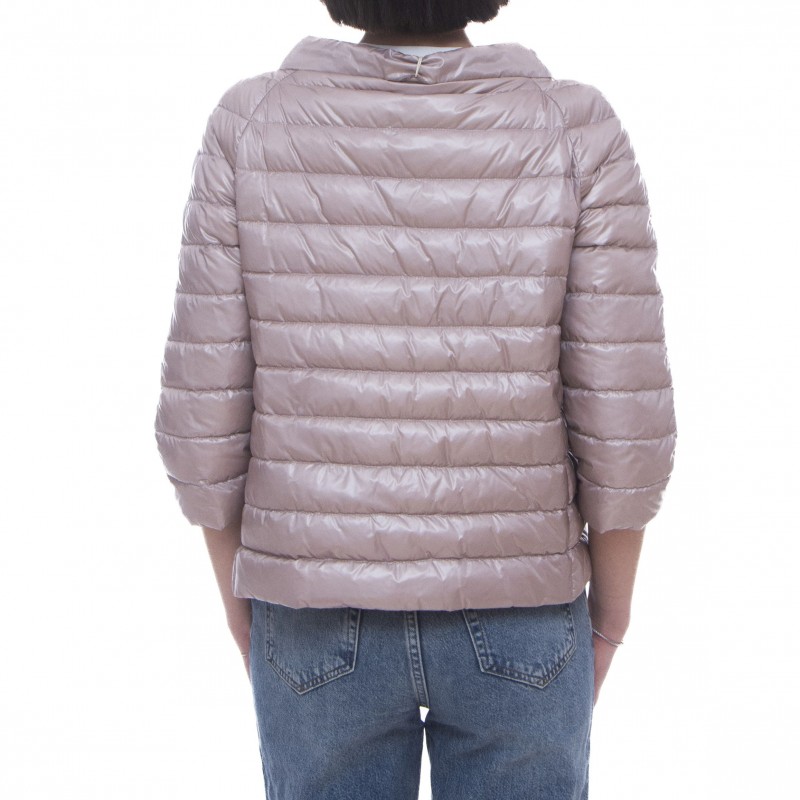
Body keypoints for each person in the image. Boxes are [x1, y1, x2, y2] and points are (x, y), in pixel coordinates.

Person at [154, 1, 677, 797]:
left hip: (312, 609)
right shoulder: (576, 129)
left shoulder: (250, 124)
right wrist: (612, 610)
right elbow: (625, 416)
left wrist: (241, 589)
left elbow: (202, 412)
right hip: (523, 605)